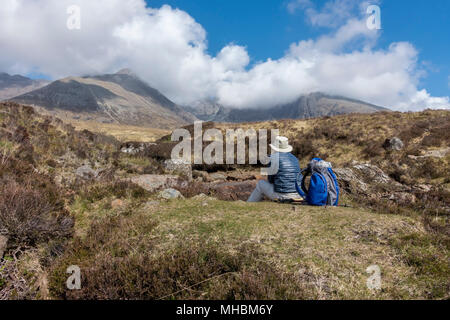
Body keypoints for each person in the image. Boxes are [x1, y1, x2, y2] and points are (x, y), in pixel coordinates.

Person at [247, 136, 301, 202]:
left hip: (283, 195)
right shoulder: (294, 158)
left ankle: (249, 203)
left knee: (260, 183)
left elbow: (270, 180)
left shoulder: (273, 158)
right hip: (298, 193)